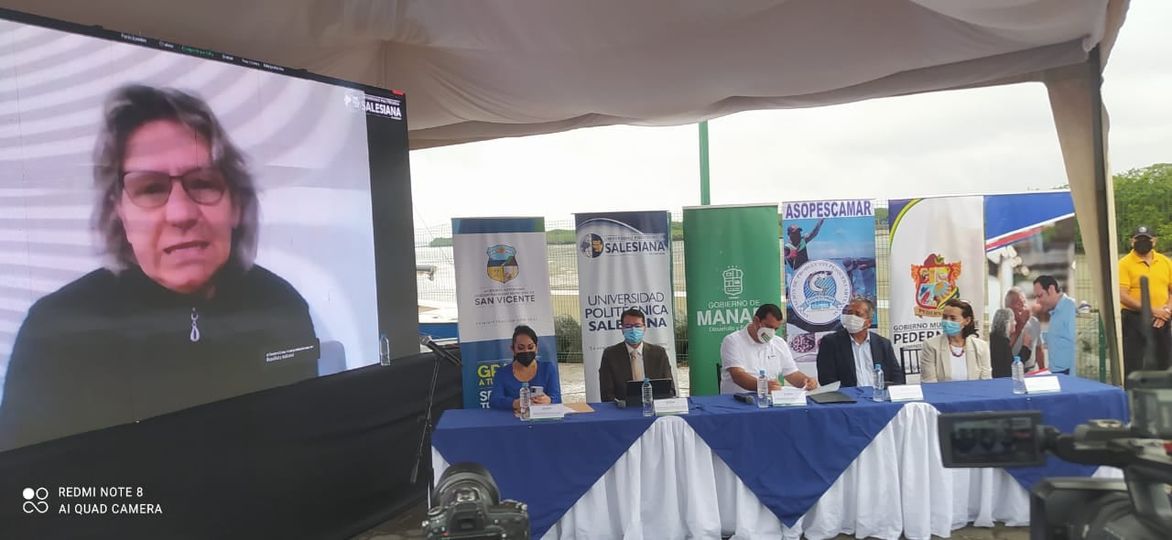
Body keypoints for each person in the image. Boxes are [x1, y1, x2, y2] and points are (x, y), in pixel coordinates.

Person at [0, 85, 318, 452]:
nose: (181, 213)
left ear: (235, 205)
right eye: (151, 189)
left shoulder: (281, 307)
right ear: (120, 213)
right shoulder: (55, 332)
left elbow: (303, 450)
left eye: (203, 183)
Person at [720, 304, 818, 393]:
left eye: (775, 329)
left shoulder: (779, 343)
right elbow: (738, 375)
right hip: (738, 401)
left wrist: (807, 381)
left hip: (771, 400)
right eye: (768, 326)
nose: (771, 332)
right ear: (756, 321)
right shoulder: (733, 341)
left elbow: (792, 374)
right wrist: (763, 386)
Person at [1118, 226, 1172, 374]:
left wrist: (1166, 310)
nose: (1143, 242)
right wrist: (1153, 311)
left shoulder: (1165, 262)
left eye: (1146, 239)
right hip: (1134, 320)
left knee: (1165, 362)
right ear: (1132, 241)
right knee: (1134, 363)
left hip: (1162, 319)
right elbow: (1122, 295)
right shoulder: (1124, 264)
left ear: (1154, 241)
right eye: (1138, 239)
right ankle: (1132, 388)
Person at [816, 297, 904, 387]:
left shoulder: (883, 344)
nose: (852, 317)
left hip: (879, 394)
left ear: (869, 322)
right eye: (849, 313)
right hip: (848, 395)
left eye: (858, 314)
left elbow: (897, 377)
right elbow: (826, 379)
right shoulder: (830, 343)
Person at [598, 308, 675, 402]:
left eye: (637, 326)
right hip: (623, 408)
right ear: (622, 329)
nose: (633, 330)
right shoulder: (610, 355)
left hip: (654, 405)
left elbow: (670, 389)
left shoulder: (659, 353)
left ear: (644, 328)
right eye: (628, 326)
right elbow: (606, 394)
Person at [489, 325, 562, 411]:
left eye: (530, 347)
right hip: (512, 418)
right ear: (513, 349)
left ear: (536, 348)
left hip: (542, 417)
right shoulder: (502, 373)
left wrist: (549, 400)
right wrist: (514, 403)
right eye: (521, 348)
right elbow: (494, 400)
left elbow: (557, 397)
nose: (526, 351)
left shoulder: (548, 369)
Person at [920, 299, 992, 382]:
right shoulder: (931, 345)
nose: (947, 321)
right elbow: (929, 382)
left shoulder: (981, 347)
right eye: (945, 317)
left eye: (953, 318)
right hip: (941, 391)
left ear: (967, 320)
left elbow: (986, 382)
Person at [1034, 275, 1077, 375]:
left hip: (1067, 375)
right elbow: (1058, 337)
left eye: (1040, 296)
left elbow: (1077, 346)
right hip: (1057, 373)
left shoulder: (1070, 308)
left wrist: (1072, 380)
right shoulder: (1055, 311)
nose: (1037, 301)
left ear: (1051, 289)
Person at [1004, 287, 1045, 371]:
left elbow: (1039, 349)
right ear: (1008, 306)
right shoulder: (1004, 324)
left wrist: (1042, 370)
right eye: (1018, 303)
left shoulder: (1034, 321)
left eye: (1024, 302)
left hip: (1031, 370)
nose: (1023, 306)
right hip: (1012, 370)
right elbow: (1004, 350)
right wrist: (1021, 324)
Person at [988, 308, 1021, 378]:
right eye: (1013, 320)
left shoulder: (991, 338)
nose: (1015, 323)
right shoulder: (1003, 343)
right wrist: (1026, 348)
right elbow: (1010, 369)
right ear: (1007, 323)